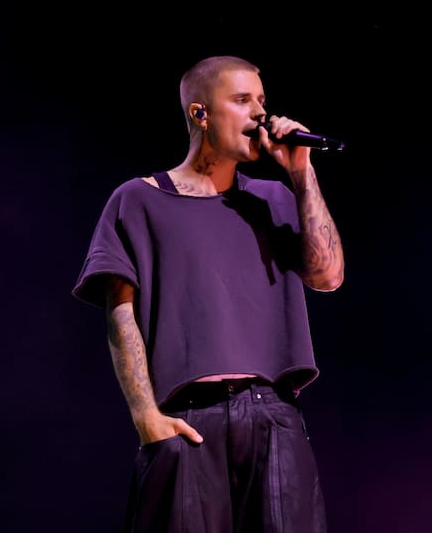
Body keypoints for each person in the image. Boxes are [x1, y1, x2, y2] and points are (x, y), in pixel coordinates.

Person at [72, 55, 345, 533]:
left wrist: (301, 172)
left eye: (262, 101)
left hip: (273, 416)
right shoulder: (137, 200)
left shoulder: (274, 198)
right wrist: (146, 418)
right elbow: (120, 316)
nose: (259, 113)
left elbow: (328, 276)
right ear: (200, 114)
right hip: (187, 421)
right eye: (242, 101)